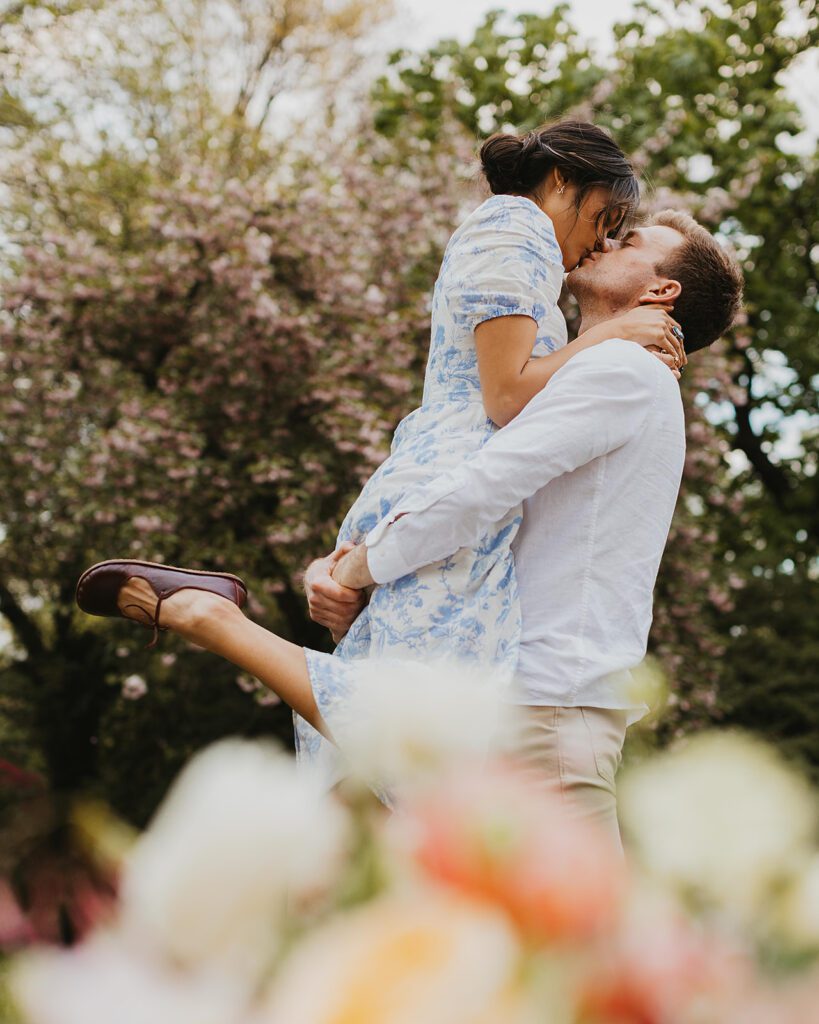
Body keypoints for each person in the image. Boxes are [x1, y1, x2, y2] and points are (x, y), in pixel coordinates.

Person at [76, 209, 742, 850]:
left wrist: (358, 568)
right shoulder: (576, 369)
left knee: (582, 952)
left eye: (627, 240)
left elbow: (481, 489)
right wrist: (344, 567)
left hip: (545, 707)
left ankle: (214, 622)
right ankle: (211, 620)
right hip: (511, 696)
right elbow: (450, 496)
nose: (602, 241)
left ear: (661, 290)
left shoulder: (622, 370)